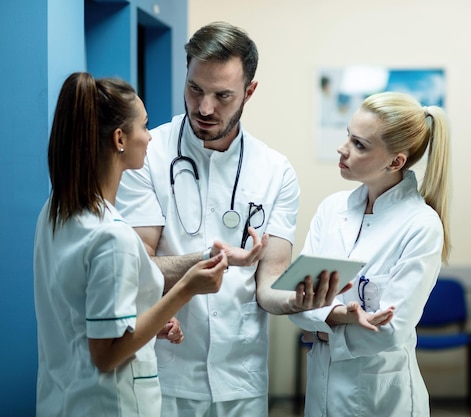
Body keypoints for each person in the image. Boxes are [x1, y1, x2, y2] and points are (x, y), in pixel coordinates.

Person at [115, 21, 340, 417]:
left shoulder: (275, 171)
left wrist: (301, 301)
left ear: (249, 92)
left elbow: (268, 286)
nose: (204, 108)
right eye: (195, 89)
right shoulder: (147, 156)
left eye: (222, 96)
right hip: (165, 373)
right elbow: (138, 266)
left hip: (241, 378)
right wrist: (208, 258)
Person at [33, 72, 228, 417]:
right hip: (112, 404)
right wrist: (185, 290)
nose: (150, 137)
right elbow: (106, 355)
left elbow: (80, 314)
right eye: (144, 126)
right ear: (120, 138)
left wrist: (147, 319)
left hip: (63, 399)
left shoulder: (55, 212)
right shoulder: (113, 236)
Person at [290, 91, 452, 417]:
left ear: (396, 162)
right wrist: (339, 317)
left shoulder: (421, 225)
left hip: (382, 400)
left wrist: (319, 325)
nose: (343, 149)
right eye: (347, 136)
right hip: (321, 392)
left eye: (359, 144)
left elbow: (390, 332)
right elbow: (296, 299)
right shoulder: (331, 209)